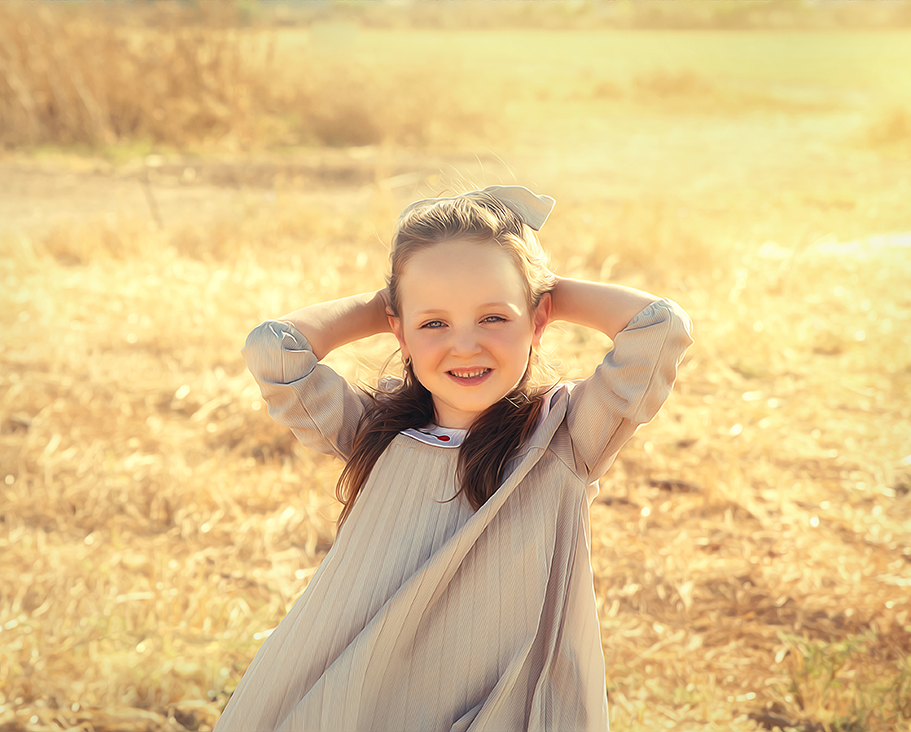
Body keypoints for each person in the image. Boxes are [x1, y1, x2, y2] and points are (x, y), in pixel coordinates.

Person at [213, 185, 693, 732]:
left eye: (493, 318)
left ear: (539, 322)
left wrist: (540, 286)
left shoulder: (565, 437)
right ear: (399, 330)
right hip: (367, 703)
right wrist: (396, 299)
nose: (465, 346)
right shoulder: (375, 430)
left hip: (498, 708)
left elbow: (659, 327)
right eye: (434, 323)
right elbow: (274, 350)